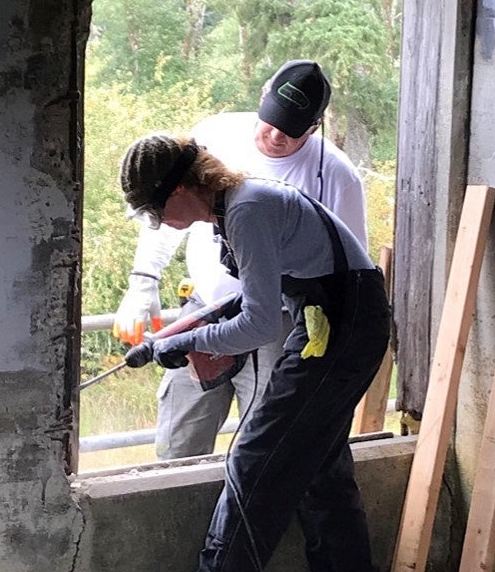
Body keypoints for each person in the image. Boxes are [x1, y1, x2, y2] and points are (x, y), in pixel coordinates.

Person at [118, 132, 396, 572]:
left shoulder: (246, 211)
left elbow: (260, 323)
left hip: (339, 323)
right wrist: (176, 335)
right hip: (334, 317)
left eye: (155, 209)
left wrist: (191, 339)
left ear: (181, 189)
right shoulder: (239, 205)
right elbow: (250, 298)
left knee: (253, 460)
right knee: (320, 470)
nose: (159, 223)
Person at [112, 60, 370, 460]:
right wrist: (144, 281)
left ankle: (241, 511)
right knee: (180, 437)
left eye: (291, 131)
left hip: (279, 321)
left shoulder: (335, 175)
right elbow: (166, 207)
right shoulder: (213, 135)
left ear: (315, 126)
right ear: (261, 99)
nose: (275, 136)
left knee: (261, 442)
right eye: (270, 122)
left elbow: (347, 269)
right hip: (207, 304)